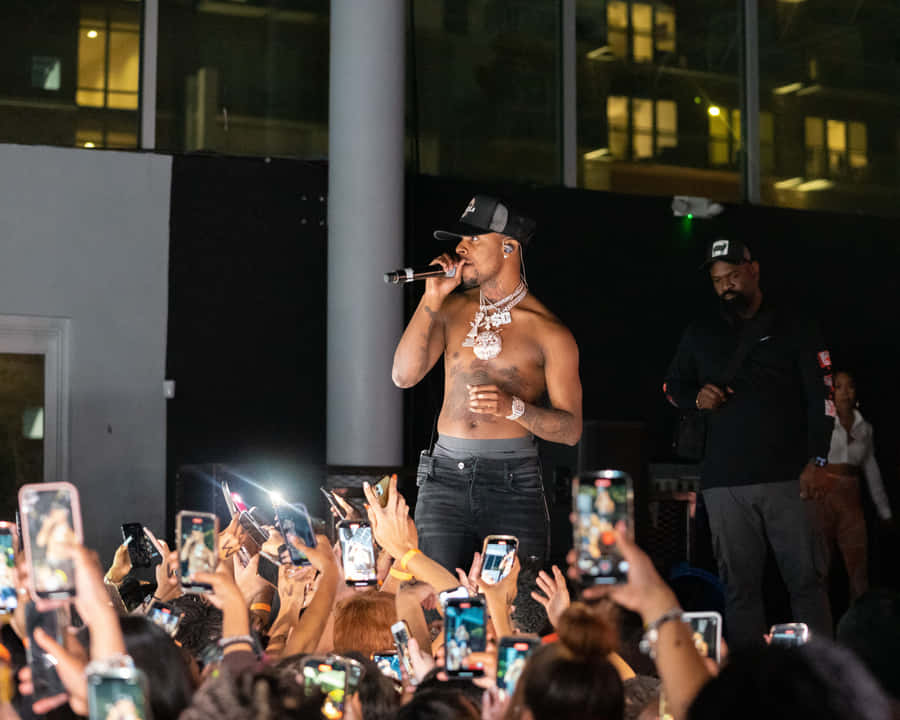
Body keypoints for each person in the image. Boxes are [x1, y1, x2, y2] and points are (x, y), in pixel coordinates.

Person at [392, 194, 583, 573]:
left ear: (509, 247)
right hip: (444, 477)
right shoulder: (450, 307)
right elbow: (404, 375)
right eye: (461, 240)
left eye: (475, 240)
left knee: (514, 606)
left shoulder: (548, 332)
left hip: (512, 484)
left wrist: (514, 408)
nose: (461, 249)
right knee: (433, 600)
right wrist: (431, 298)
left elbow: (571, 430)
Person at [663, 237, 834, 650]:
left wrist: (819, 459)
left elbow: (822, 396)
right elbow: (672, 386)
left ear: (754, 270)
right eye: (719, 280)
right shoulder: (700, 331)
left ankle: (825, 678)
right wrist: (696, 397)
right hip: (724, 482)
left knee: (807, 583)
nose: (727, 285)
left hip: (788, 478)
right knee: (739, 589)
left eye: (734, 275)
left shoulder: (794, 326)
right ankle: (748, 681)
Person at [821, 370, 893, 600]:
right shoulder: (823, 421)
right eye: (839, 386)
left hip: (851, 498)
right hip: (821, 496)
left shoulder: (865, 428)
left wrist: (885, 511)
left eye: (850, 386)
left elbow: (871, 471)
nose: (845, 392)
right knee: (819, 566)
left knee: (858, 567)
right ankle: (819, 629)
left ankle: (859, 628)